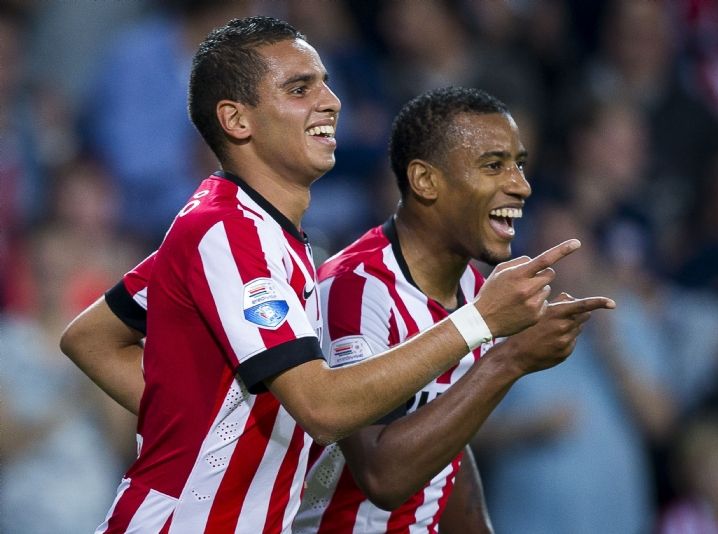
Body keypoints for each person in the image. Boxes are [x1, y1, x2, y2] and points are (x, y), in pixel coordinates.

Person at [60, 17, 584, 532]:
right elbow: (323, 408)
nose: (331, 101)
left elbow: (91, 338)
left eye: (326, 84)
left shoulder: (250, 231)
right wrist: (480, 322)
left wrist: (200, 423)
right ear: (237, 120)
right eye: (299, 88)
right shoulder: (228, 231)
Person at [292, 87, 615, 532]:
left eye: (519, 165)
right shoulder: (354, 288)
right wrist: (510, 359)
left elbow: (447, 443)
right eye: (493, 165)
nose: (521, 186)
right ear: (425, 181)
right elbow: (381, 476)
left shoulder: (474, 289)